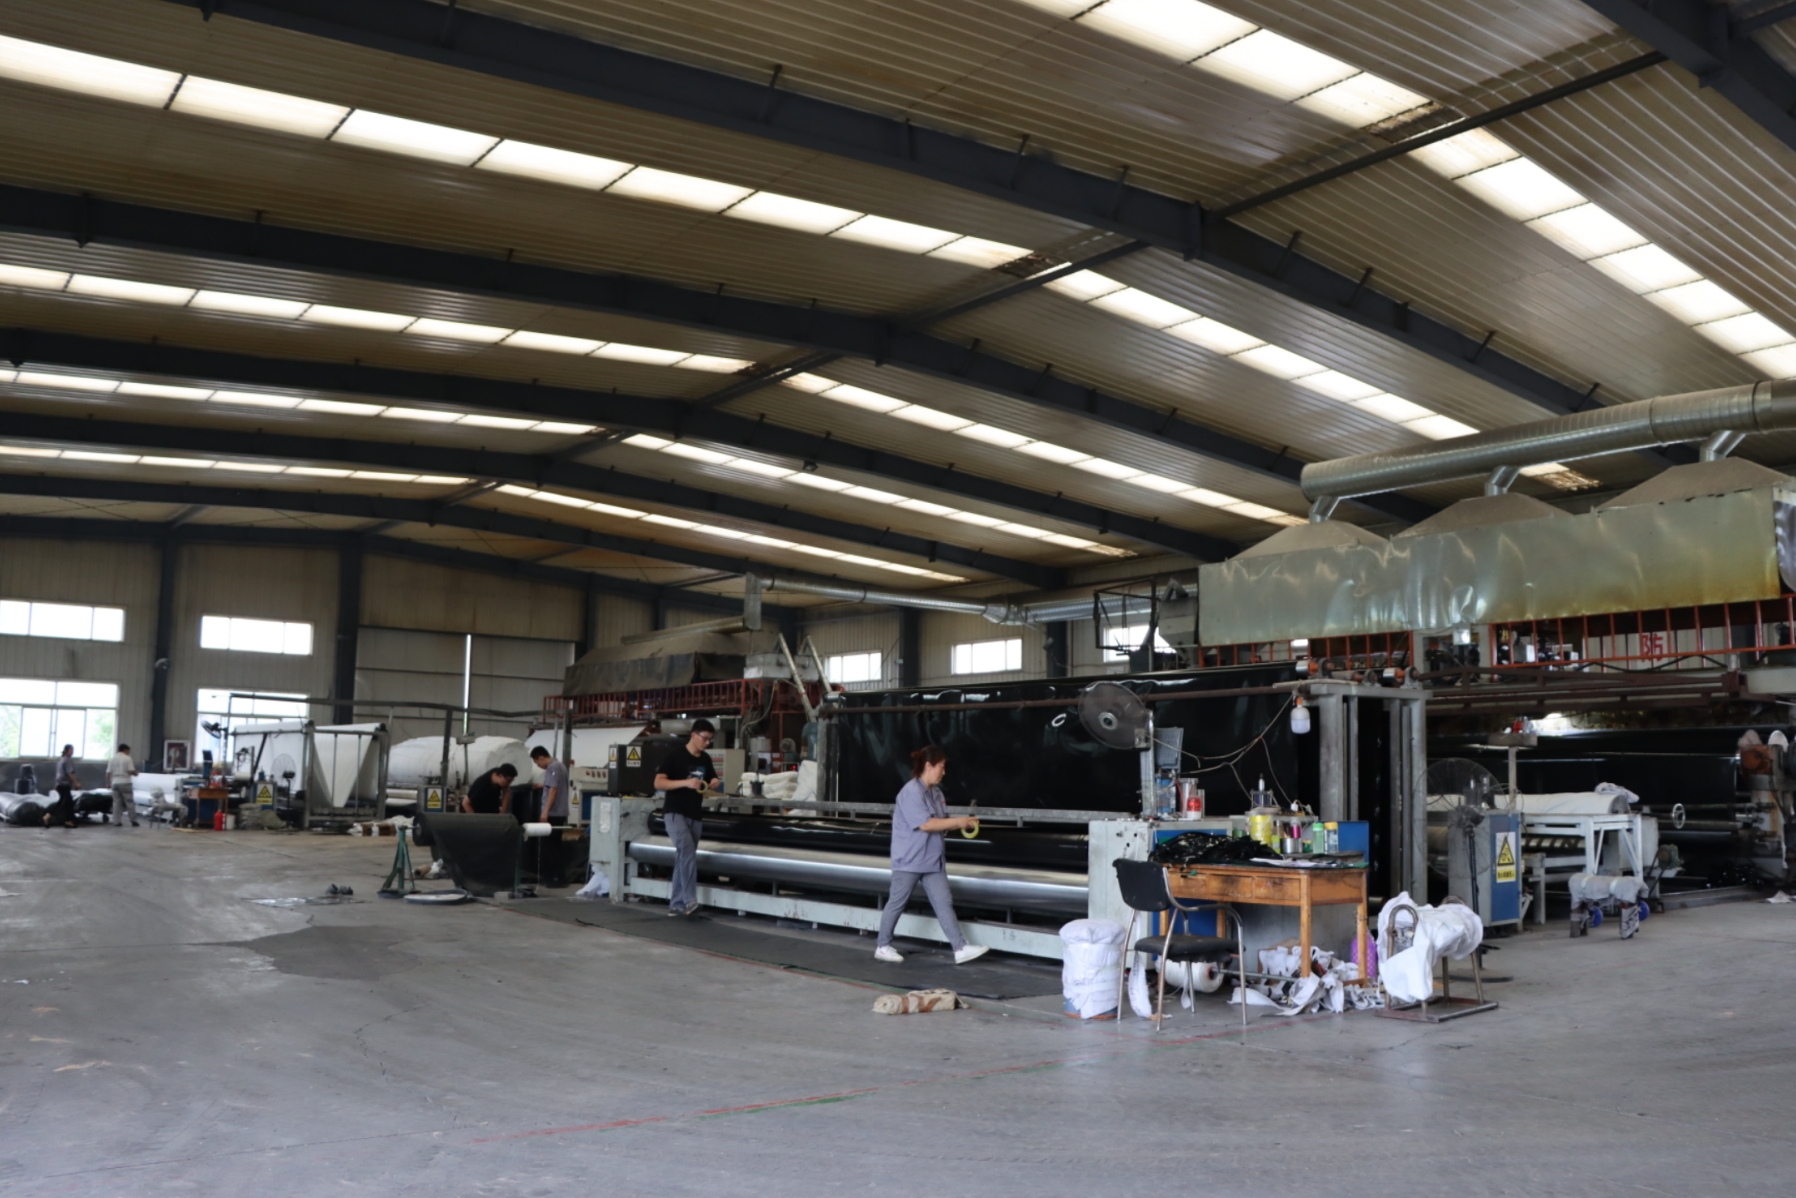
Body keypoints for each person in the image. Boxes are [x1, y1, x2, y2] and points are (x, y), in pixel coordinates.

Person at [874, 746, 988, 965]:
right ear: (928, 766)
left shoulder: (936, 793)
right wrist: (958, 822)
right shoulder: (911, 792)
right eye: (941, 767)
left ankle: (960, 948)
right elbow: (926, 824)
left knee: (944, 902)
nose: (943, 772)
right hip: (910, 859)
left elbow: (941, 822)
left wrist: (964, 822)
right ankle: (883, 946)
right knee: (897, 902)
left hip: (932, 860)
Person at [653, 719, 720, 917]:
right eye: (705, 738)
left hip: (695, 814)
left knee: (684, 856)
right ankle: (690, 901)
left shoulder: (705, 759)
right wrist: (686, 783)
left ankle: (676, 904)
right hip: (675, 813)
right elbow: (659, 782)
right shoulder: (675, 756)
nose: (707, 743)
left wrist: (714, 782)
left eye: (710, 740)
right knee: (687, 851)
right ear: (693, 735)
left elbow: (710, 779)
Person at [530, 745, 571, 887]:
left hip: (554, 813)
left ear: (541, 757)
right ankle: (557, 877)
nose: (538, 766)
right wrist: (543, 785)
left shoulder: (552, 767)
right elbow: (555, 785)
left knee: (550, 847)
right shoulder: (561, 766)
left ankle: (558, 878)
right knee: (555, 846)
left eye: (537, 762)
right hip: (560, 812)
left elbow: (553, 790)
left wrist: (545, 811)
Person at [107, 743, 140, 828]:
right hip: (125, 782)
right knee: (129, 802)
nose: (129, 753)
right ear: (125, 750)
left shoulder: (112, 759)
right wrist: (136, 773)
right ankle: (133, 821)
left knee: (116, 803)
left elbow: (107, 773)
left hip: (115, 782)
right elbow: (131, 770)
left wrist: (107, 783)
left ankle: (116, 821)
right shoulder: (127, 758)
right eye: (128, 751)